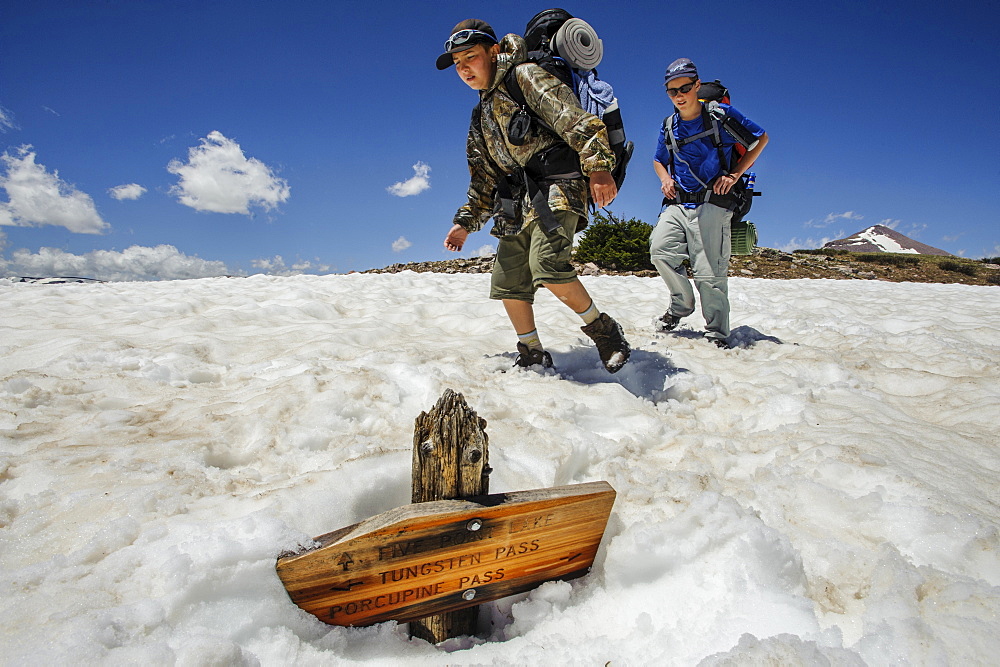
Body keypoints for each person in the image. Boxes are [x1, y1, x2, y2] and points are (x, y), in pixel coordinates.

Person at [438, 19, 630, 373]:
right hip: (516, 202)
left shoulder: (524, 75)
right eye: (457, 63)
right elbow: (484, 178)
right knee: (508, 280)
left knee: (547, 264)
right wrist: (465, 223)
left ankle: (605, 332)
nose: (464, 68)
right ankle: (532, 351)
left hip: (558, 185)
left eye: (471, 57)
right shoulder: (480, 115)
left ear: (493, 51)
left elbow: (574, 120)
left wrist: (599, 167)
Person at [650, 58, 769, 348]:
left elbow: (760, 139)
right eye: (672, 91)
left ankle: (716, 334)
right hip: (678, 203)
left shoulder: (720, 115)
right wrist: (665, 178)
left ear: (697, 86)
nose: (679, 95)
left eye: (685, 88)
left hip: (713, 203)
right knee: (659, 251)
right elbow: (658, 160)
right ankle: (682, 305)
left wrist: (734, 174)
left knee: (709, 272)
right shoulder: (669, 126)